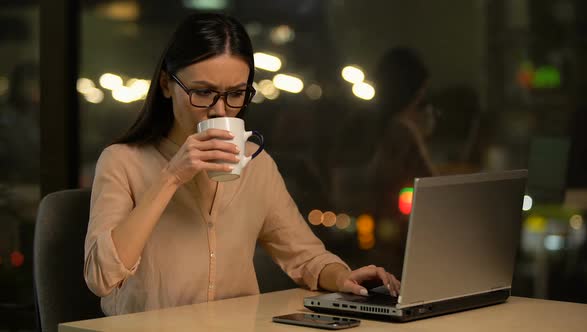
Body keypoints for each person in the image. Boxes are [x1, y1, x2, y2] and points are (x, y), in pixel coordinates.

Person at [84, 13, 400, 316]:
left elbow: (306, 256)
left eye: (236, 94)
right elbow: (102, 278)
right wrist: (171, 177)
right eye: (203, 92)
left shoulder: (256, 164)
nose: (220, 110)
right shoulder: (122, 161)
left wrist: (342, 278)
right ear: (167, 84)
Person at [369, 47, 438, 222]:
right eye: (422, 92)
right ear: (414, 92)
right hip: (398, 229)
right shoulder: (402, 131)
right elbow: (433, 189)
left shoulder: (364, 126)